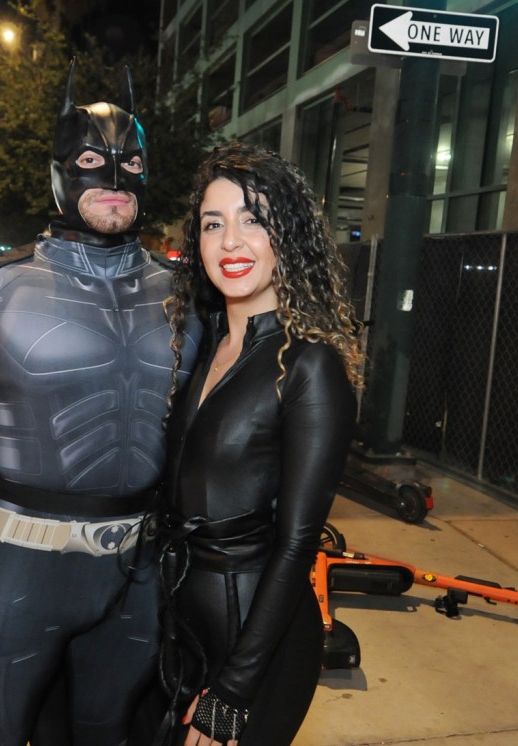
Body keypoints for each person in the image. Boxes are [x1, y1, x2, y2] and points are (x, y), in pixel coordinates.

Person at [0, 60, 198, 746]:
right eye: (92, 159)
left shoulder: (183, 293)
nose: (114, 180)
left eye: (131, 162)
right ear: (60, 172)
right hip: (16, 571)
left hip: (138, 572)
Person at [156, 141, 362, 746]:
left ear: (287, 237)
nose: (229, 243)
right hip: (182, 629)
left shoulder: (311, 365)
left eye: (254, 220)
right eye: (213, 224)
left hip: (256, 649)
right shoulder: (207, 348)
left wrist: (234, 690)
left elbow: (298, 544)